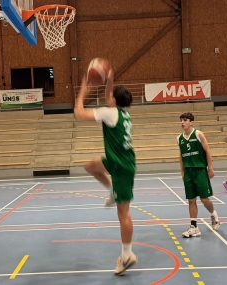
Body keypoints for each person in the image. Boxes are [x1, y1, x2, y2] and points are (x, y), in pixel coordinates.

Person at [74, 62, 137, 275]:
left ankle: (127, 255)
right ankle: (110, 189)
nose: (106, 97)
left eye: (109, 95)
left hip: (120, 166)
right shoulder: (122, 112)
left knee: (123, 214)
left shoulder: (109, 113)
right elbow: (110, 93)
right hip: (119, 160)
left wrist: (83, 91)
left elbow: (78, 113)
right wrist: (109, 76)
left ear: (114, 101)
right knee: (90, 166)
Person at [177, 112, 220, 238]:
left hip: (200, 170)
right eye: (181, 120)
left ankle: (213, 214)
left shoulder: (198, 134)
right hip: (188, 171)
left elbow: (207, 150)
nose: (182, 122)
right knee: (191, 200)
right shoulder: (179, 138)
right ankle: (194, 227)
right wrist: (182, 172)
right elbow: (180, 156)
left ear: (191, 122)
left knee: (204, 199)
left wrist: (210, 168)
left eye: (185, 120)